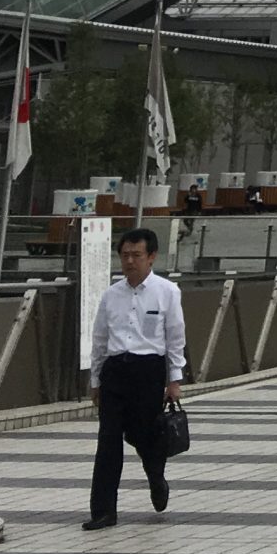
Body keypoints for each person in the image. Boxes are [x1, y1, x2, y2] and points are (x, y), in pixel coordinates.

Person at [82, 225, 185, 531]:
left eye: (136, 255)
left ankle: (156, 477)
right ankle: (103, 511)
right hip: (116, 370)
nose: (129, 261)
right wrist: (96, 381)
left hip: (148, 370)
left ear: (151, 257)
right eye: (125, 255)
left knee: (144, 434)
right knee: (108, 440)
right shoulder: (111, 295)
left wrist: (174, 380)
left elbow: (175, 338)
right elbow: (100, 340)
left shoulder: (167, 292)